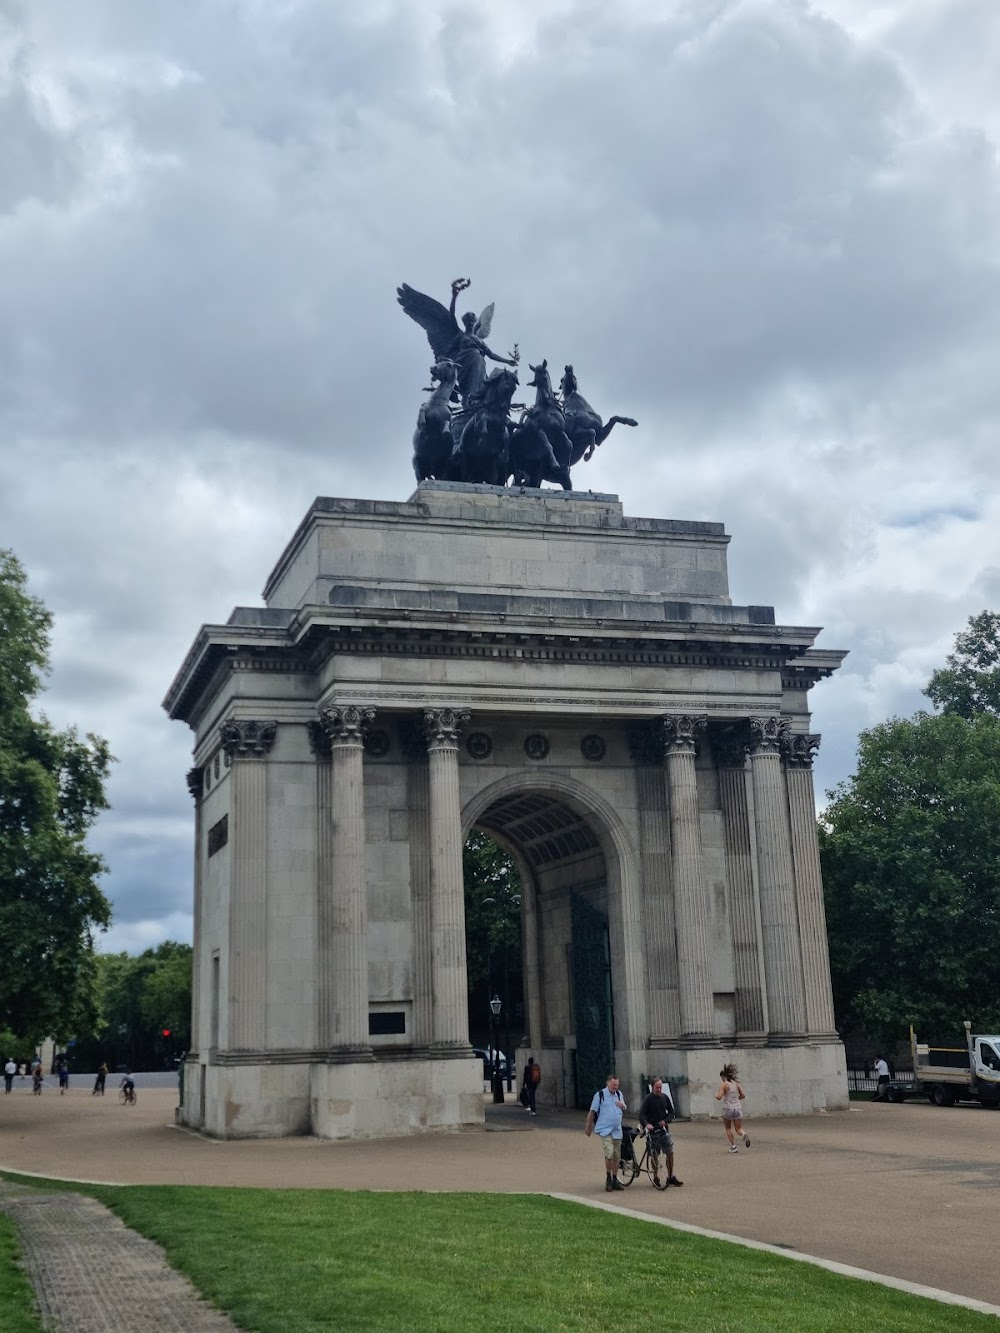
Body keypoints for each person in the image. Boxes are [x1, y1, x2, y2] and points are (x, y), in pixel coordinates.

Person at [585, 1074, 627, 1191]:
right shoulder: (600, 1095)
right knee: (609, 1153)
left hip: (617, 1129)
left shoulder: (619, 1094)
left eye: (617, 1085)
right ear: (608, 1083)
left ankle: (615, 1179)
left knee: (616, 1155)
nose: (615, 1087)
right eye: (613, 1085)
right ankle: (608, 1178)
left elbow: (623, 1107)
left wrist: (622, 1105)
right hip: (605, 1129)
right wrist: (588, 1127)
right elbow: (592, 1112)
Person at [638, 1077, 682, 1187]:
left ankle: (670, 1176)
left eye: (660, 1087)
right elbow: (641, 1115)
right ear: (652, 1087)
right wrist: (647, 1124)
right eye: (657, 1087)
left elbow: (671, 1113)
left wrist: (666, 1121)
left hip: (663, 1130)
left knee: (670, 1152)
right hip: (653, 1131)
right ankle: (655, 1176)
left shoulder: (665, 1098)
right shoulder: (648, 1099)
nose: (659, 1089)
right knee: (654, 1154)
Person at [715, 1063, 749, 1152]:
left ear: (723, 1076)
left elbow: (719, 1097)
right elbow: (743, 1095)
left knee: (728, 1128)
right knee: (738, 1128)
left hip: (728, 1108)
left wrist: (716, 1095)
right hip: (737, 1108)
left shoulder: (724, 1085)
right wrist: (736, 1098)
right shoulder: (736, 1084)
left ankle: (733, 1146)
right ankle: (744, 1134)